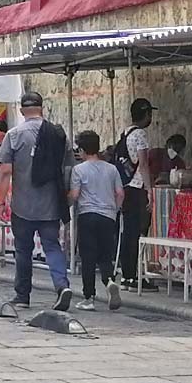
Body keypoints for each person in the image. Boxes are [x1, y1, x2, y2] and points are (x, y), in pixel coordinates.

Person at [0, 91, 74, 312]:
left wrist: (0, 201)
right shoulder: (58, 134)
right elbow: (68, 168)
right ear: (42, 108)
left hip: (22, 205)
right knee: (52, 246)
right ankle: (62, 285)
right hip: (51, 204)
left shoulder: (13, 135)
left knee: (23, 250)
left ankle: (22, 296)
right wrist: (66, 197)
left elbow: (5, 171)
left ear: (22, 111)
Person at [69, 130, 125, 311]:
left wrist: (66, 200)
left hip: (87, 215)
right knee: (105, 256)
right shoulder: (112, 169)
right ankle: (109, 282)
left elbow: (75, 195)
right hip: (108, 216)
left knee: (88, 258)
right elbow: (120, 193)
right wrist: (114, 210)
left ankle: (89, 297)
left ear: (82, 150)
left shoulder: (78, 170)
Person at [116, 98, 159, 291]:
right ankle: (133, 276)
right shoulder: (140, 134)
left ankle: (127, 275)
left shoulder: (126, 132)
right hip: (137, 188)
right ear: (146, 114)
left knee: (128, 232)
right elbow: (143, 164)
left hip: (126, 187)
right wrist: (149, 190)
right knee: (137, 233)